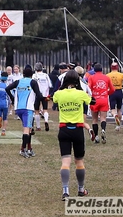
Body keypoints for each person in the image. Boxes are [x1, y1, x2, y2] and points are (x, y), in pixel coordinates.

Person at [53, 70, 94, 201]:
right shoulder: (81, 93)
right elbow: (90, 101)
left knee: (65, 162)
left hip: (64, 129)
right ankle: (81, 189)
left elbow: (54, 100)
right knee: (79, 161)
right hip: (77, 130)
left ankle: (65, 191)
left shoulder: (59, 93)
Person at [5, 66, 43, 158]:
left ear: (24, 74)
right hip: (28, 108)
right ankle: (22, 149)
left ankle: (29, 148)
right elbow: (39, 95)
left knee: (29, 128)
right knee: (27, 129)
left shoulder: (18, 81)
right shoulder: (33, 82)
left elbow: (7, 89)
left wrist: (12, 97)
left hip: (18, 108)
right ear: (31, 75)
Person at [87, 63, 115, 144]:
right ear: (102, 70)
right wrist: (106, 93)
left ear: (94, 70)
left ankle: (96, 136)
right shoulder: (106, 77)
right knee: (103, 118)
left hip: (94, 99)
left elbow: (88, 88)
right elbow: (112, 89)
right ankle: (103, 130)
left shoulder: (91, 77)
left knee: (95, 119)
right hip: (104, 99)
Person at [106, 62, 123, 131]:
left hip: (112, 91)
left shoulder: (108, 75)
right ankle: (118, 126)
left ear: (111, 67)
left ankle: (114, 115)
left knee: (112, 108)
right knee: (119, 109)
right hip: (119, 91)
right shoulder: (121, 75)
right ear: (117, 67)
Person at [32, 62, 53, 131]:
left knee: (36, 111)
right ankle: (46, 121)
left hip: (37, 94)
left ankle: (38, 127)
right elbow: (50, 85)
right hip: (45, 95)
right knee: (45, 109)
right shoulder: (46, 75)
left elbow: (32, 85)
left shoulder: (34, 75)